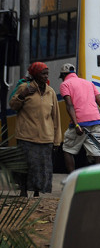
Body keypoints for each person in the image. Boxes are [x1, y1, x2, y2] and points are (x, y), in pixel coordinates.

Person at [9, 62, 62, 197]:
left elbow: (56, 117)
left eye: (46, 74)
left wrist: (57, 140)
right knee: (25, 166)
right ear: (35, 75)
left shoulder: (50, 92)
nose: (45, 76)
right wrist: (23, 95)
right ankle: (23, 190)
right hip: (26, 136)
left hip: (46, 137)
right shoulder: (24, 88)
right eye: (42, 74)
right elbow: (13, 105)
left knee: (42, 168)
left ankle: (37, 192)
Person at [59, 63, 100, 172]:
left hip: (81, 124)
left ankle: (72, 180)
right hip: (97, 122)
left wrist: (76, 124)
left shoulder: (65, 84)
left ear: (64, 75)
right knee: (97, 154)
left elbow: (69, 105)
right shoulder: (89, 83)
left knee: (68, 150)